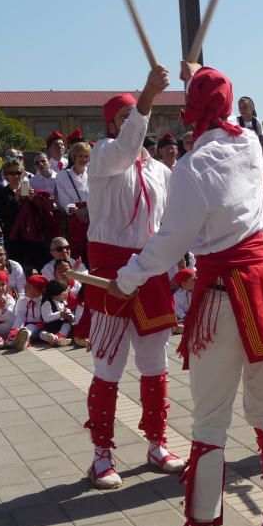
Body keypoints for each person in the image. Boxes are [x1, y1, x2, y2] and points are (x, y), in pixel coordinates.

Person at [108, 61, 263, 526]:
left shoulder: (193, 165)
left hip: (222, 295)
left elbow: (170, 243)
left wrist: (127, 278)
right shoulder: (250, 145)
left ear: (192, 110)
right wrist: (203, 73)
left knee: (211, 420)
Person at [82, 67, 182, 490]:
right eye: (124, 117)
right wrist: (147, 95)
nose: (132, 124)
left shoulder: (162, 170)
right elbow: (126, 148)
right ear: (111, 125)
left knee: (155, 363)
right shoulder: (104, 156)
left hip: (152, 270)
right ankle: (101, 454)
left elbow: (174, 220)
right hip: (111, 272)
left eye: (135, 116)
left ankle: (157, 442)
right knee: (108, 365)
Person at [56, 141, 90, 263]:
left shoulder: (93, 173)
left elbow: (98, 194)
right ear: (74, 157)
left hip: (92, 215)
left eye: (86, 156)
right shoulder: (62, 175)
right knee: (78, 250)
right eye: (80, 156)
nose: (83, 159)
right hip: (75, 217)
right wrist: (76, 211)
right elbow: (63, 198)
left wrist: (88, 209)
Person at [7, 274, 47, 350]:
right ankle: (15, 336)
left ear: (39, 291)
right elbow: (20, 316)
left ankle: (24, 336)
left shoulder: (44, 302)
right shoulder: (22, 300)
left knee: (30, 328)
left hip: (41, 326)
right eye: (25, 286)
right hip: (26, 325)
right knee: (19, 318)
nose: (25, 288)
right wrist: (16, 328)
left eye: (29, 287)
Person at [39, 279, 74, 347]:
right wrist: (60, 314)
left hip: (61, 325)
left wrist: (70, 316)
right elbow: (46, 318)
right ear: (60, 294)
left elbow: (69, 312)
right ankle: (52, 338)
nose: (67, 293)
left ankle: (59, 337)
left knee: (67, 326)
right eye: (66, 291)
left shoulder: (63, 302)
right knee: (41, 334)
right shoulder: (47, 303)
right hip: (50, 327)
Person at [0, 270, 16, 348]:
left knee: (14, 326)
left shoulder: (9, 298)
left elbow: (13, 318)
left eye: (2, 284)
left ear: (6, 285)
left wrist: (4, 310)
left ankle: (10, 338)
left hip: (5, 327)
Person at [172, 267, 195, 331]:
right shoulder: (177, 295)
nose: (196, 281)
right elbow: (177, 308)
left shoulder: (195, 291)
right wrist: (184, 316)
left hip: (193, 314)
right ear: (184, 284)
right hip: (183, 316)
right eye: (194, 280)